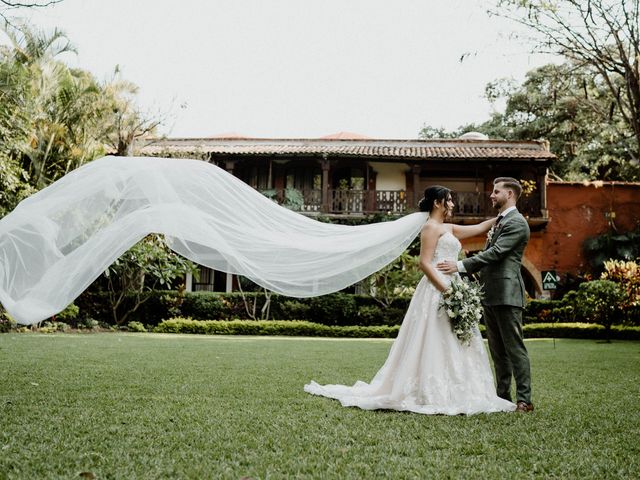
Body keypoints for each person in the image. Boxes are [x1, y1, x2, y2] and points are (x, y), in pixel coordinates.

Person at [304, 186, 516, 415]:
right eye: (450, 199)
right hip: (437, 289)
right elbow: (424, 264)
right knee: (433, 338)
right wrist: (447, 290)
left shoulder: (448, 228)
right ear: (438, 203)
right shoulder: (430, 228)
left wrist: (504, 215)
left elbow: (479, 227)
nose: (453, 204)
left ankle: (463, 389)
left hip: (454, 286)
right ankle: (428, 390)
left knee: (458, 338)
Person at [437, 177, 533, 413]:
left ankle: (524, 400)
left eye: (496, 191)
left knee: (514, 348)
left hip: (508, 293)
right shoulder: (500, 222)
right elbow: (489, 253)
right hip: (489, 294)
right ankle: (502, 397)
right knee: (498, 352)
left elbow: (497, 253)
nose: (491, 195)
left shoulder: (517, 223)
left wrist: (459, 266)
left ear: (509, 194)